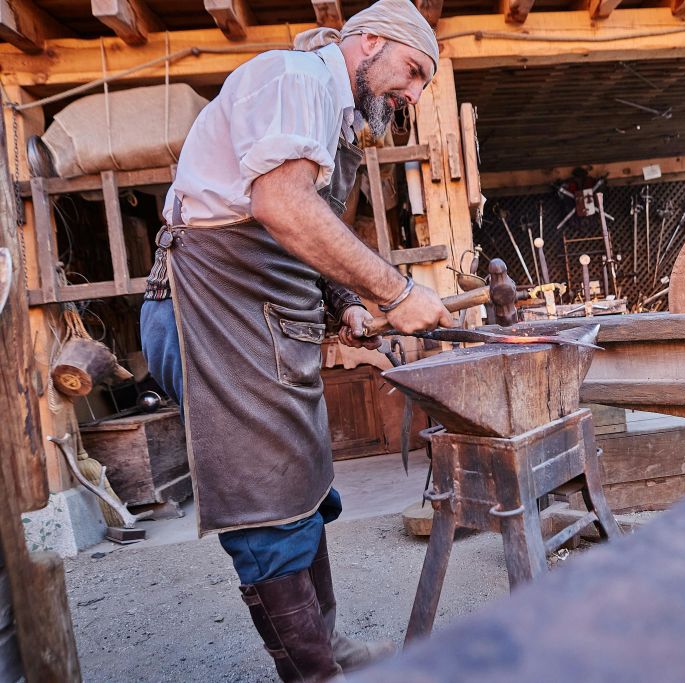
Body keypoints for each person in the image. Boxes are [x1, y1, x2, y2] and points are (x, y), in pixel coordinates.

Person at [139, 1, 454, 679]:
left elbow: (298, 234)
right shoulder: (293, 78)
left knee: (301, 488)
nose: (414, 94)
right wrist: (395, 295)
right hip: (211, 314)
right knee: (266, 506)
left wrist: (341, 299)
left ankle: (327, 647)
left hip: (263, 318)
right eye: (413, 71)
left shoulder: (333, 113)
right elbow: (280, 205)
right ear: (369, 41)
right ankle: (312, 672)